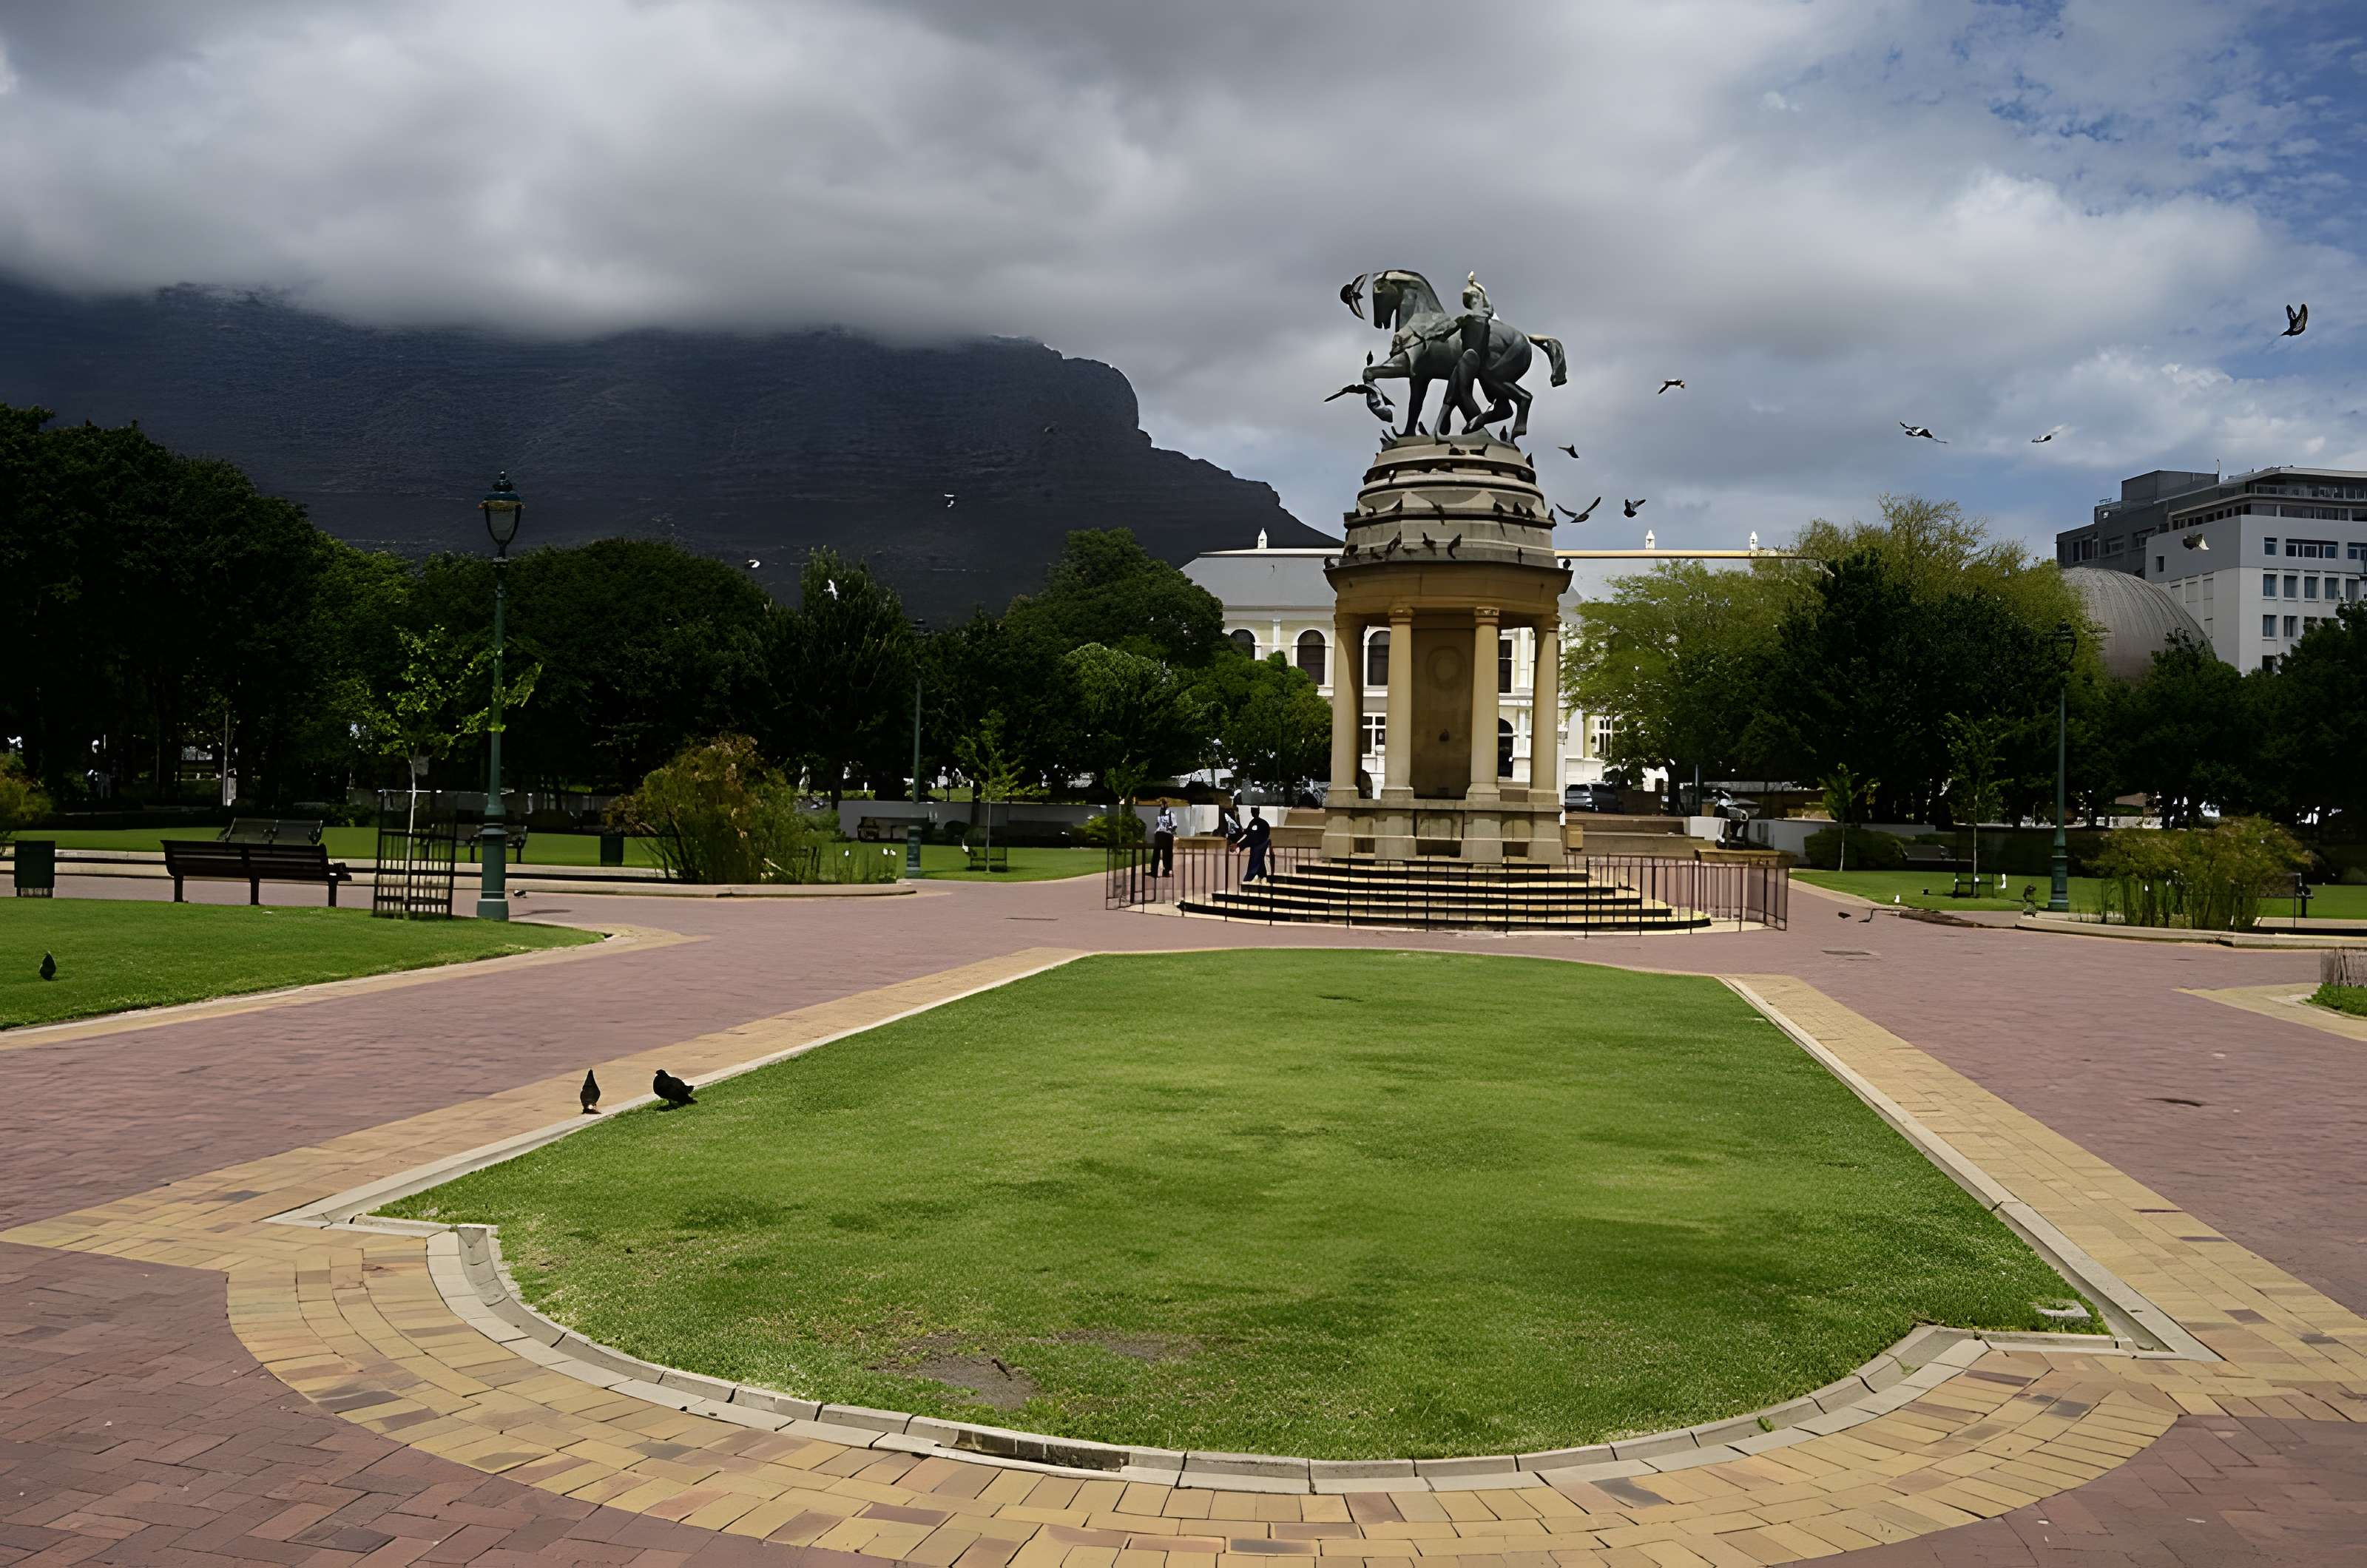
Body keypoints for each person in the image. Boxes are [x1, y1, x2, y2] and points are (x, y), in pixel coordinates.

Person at [1242, 807, 1272, 885]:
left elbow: (1250, 834)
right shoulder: (1254, 822)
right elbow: (1248, 833)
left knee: (1257, 860)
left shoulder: (1259, 823)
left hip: (1259, 846)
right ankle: (1261, 876)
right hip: (1257, 845)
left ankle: (1258, 876)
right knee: (1259, 860)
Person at [1151, 804, 1177, 877]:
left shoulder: (1171, 815)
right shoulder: (1159, 816)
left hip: (1167, 835)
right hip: (1159, 834)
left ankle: (1167, 871)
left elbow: (1174, 825)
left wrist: (1170, 830)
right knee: (1156, 853)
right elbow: (1157, 824)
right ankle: (1154, 871)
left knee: (1167, 854)